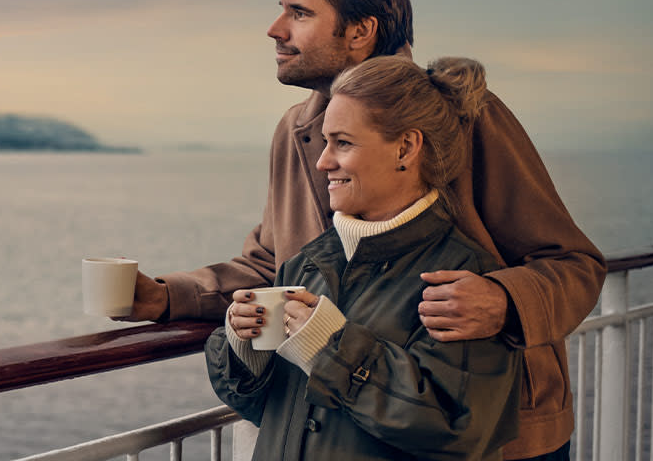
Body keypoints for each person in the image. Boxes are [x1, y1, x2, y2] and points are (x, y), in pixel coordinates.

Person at [120, 0, 604, 460]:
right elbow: (273, 265)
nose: (275, 29)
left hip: (498, 438)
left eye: (299, 13)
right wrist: (166, 297)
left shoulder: (468, 117)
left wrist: (505, 300)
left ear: (360, 31)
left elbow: (573, 264)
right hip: (342, 428)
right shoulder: (295, 131)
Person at [207, 54, 521, 460]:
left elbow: (457, 430)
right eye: (325, 142)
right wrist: (245, 349)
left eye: (343, 143)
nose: (323, 162)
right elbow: (269, 409)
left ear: (406, 147)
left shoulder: (465, 279)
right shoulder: (303, 265)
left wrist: (331, 346)